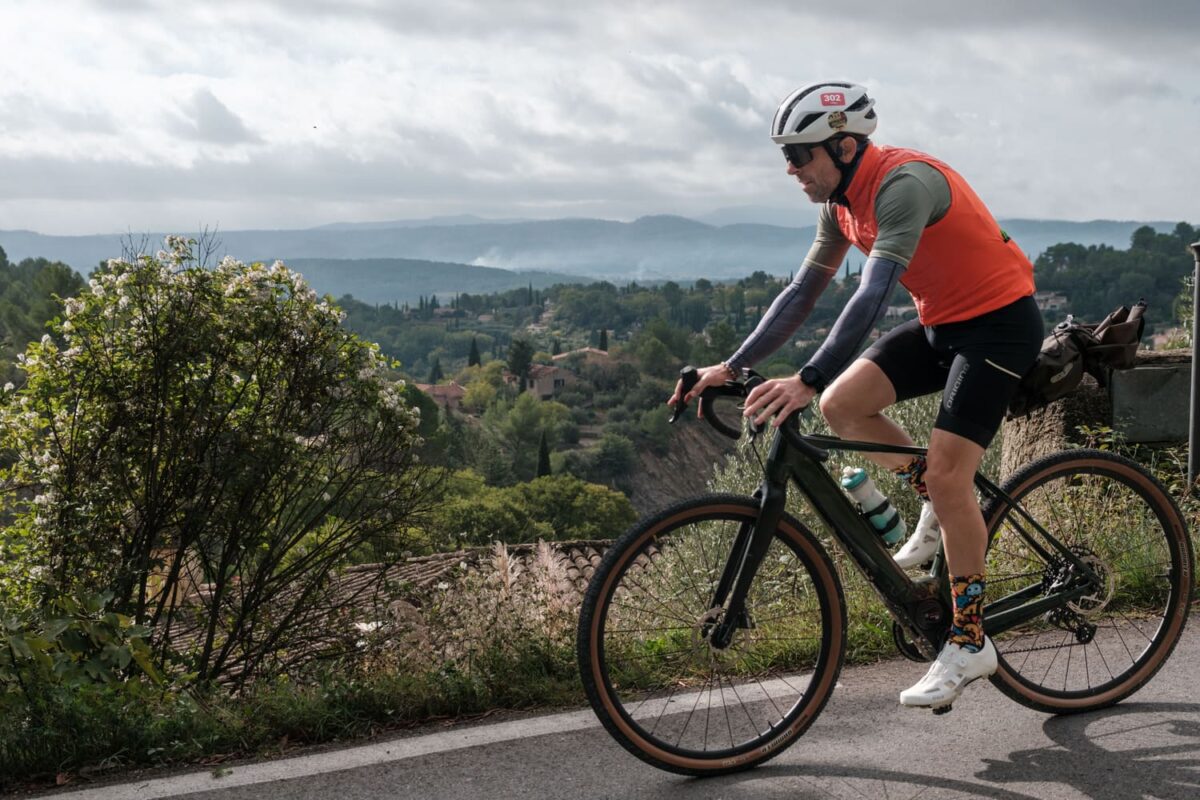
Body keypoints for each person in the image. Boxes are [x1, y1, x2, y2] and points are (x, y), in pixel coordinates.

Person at [668, 81, 1043, 709]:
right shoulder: (839, 202)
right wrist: (730, 367)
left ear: (844, 145)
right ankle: (942, 506)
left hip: (1000, 326)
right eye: (785, 157)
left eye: (798, 156)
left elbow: (870, 297)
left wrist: (805, 376)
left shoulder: (903, 185)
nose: (791, 171)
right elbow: (801, 294)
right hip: (941, 324)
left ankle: (971, 637)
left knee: (949, 476)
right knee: (842, 406)